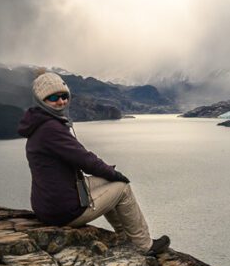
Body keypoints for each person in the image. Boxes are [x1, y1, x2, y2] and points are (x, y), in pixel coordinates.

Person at [18, 71, 170, 256]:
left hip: (49, 204)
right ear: (41, 101)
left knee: (108, 181)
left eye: (64, 96)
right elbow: (85, 160)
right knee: (122, 188)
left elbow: (81, 159)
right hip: (63, 211)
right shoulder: (51, 129)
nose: (61, 101)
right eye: (53, 98)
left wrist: (106, 173)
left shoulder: (41, 123)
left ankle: (124, 237)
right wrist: (113, 174)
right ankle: (142, 245)